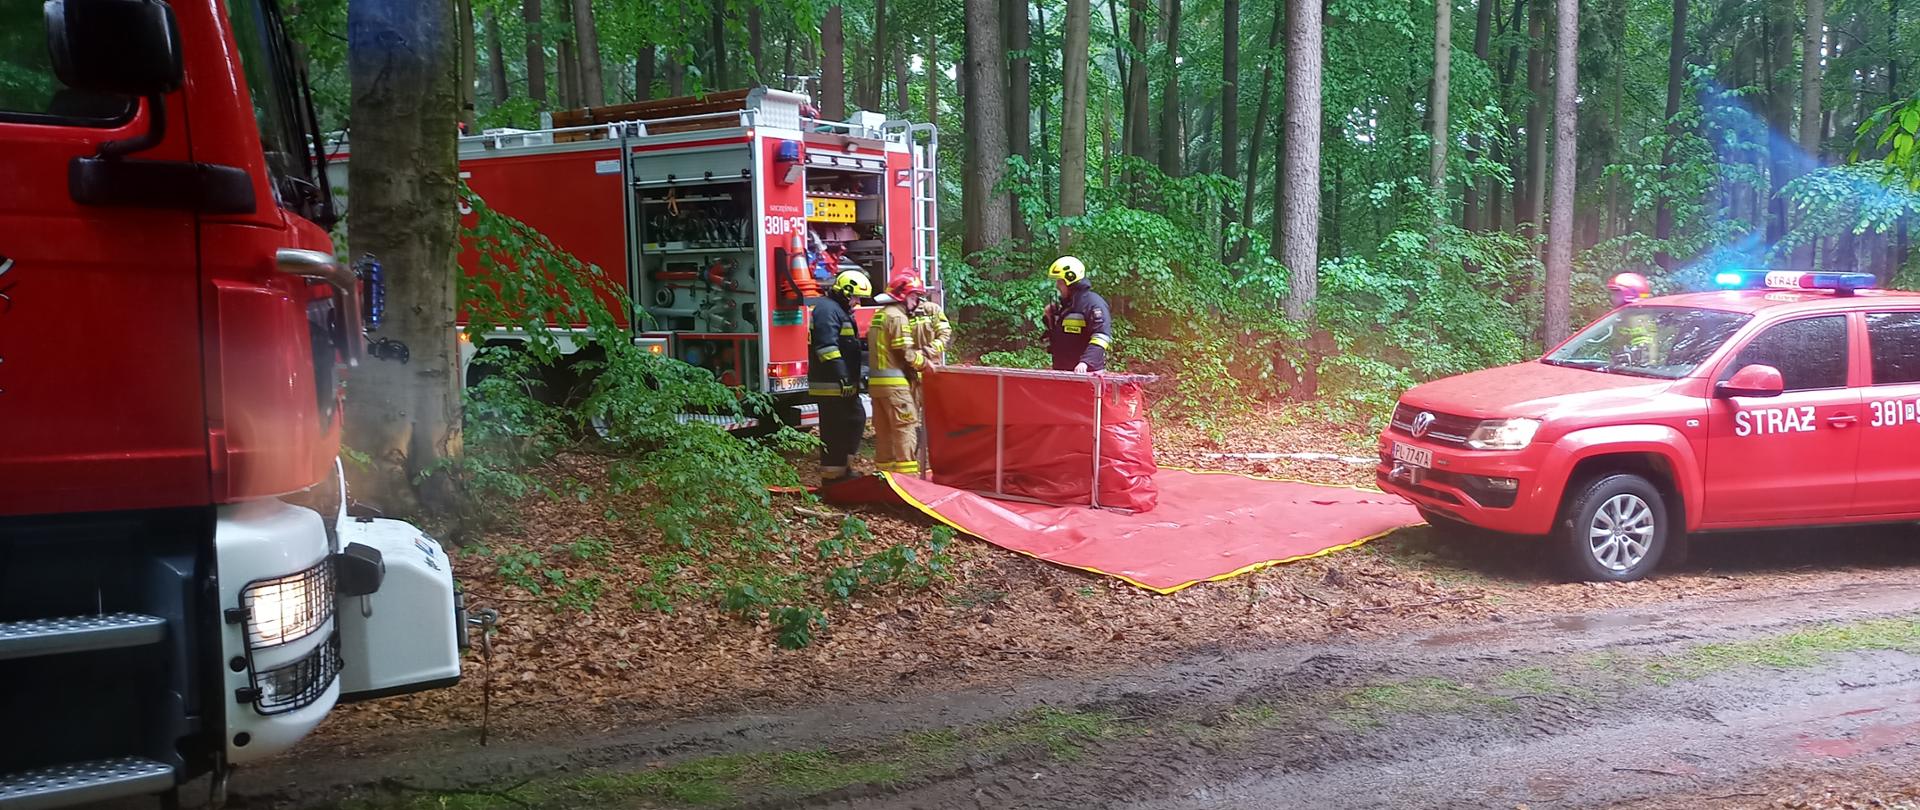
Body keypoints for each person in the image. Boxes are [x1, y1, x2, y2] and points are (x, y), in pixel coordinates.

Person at [809, 269, 872, 483]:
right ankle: (833, 477)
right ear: (845, 293)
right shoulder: (827, 310)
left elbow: (848, 346)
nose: (857, 302)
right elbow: (827, 348)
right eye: (856, 297)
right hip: (830, 383)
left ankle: (843, 469)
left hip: (841, 383)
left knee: (854, 419)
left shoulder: (838, 310)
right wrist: (842, 377)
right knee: (834, 428)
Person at [867, 271, 930, 476]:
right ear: (903, 296)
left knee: (884, 433)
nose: (917, 302)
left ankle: (884, 479)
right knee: (905, 428)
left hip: (877, 387)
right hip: (895, 387)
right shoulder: (897, 317)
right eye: (915, 297)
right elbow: (906, 354)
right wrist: (926, 363)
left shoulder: (880, 315)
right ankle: (909, 482)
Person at [1041, 255, 1112, 373]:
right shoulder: (1065, 306)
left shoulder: (1093, 304)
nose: (1057, 285)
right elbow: (1060, 337)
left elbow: (1101, 337)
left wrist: (1085, 363)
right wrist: (1049, 319)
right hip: (1063, 371)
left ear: (1070, 281)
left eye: (1060, 281)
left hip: (1087, 374)